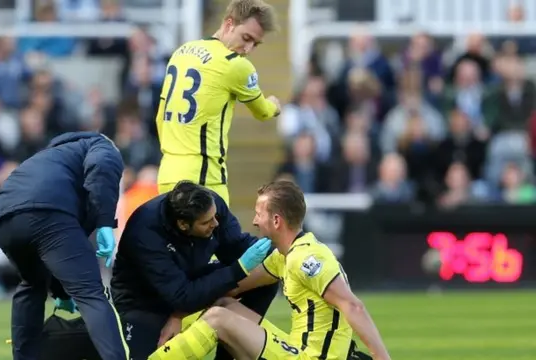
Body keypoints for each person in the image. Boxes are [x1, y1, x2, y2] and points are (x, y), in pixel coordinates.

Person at [150, 181, 391, 360]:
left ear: (276, 220)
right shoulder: (285, 255)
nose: (254, 221)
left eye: (258, 214)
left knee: (217, 320)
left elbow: (353, 305)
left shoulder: (306, 258)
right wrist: (178, 314)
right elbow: (234, 286)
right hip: (297, 350)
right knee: (225, 305)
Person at [0, 131, 129, 360]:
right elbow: (102, 166)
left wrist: (60, 290)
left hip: (1, 217)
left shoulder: (50, 155)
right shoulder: (101, 144)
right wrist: (104, 223)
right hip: (45, 210)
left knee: (32, 284)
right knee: (90, 294)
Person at [110, 181, 278, 359]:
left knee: (265, 276)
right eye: (207, 222)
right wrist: (238, 269)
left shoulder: (211, 205)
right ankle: (86, 331)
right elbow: (182, 297)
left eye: (215, 216)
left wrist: (279, 250)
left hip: (189, 280)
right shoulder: (145, 232)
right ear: (183, 225)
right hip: (144, 303)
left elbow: (235, 247)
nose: (215, 223)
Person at [156, 0, 282, 205]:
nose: (248, 49)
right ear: (229, 24)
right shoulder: (235, 65)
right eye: (246, 38)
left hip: (167, 173)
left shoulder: (181, 52)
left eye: (255, 44)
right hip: (204, 179)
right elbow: (262, 112)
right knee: (222, 235)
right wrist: (274, 105)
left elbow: (161, 116)